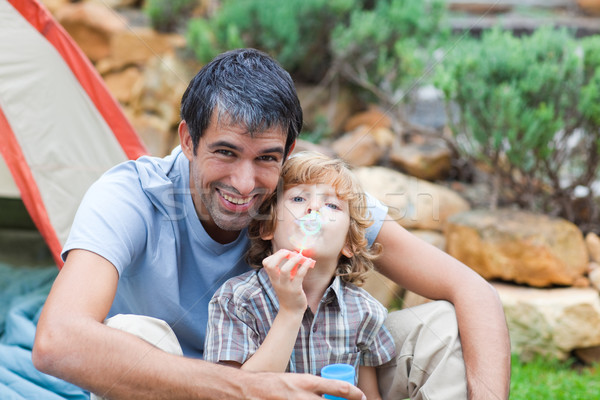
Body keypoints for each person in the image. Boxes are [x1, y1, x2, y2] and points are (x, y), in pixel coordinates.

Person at [32, 48, 510, 400]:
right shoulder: (130, 196)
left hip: (308, 380)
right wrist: (242, 388)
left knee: (444, 327)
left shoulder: (307, 195)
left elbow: (473, 291)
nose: (244, 184)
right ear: (187, 139)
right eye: (225, 152)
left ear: (289, 152)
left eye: (266, 158)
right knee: (134, 333)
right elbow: (58, 341)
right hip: (182, 388)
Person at [205, 152, 396, 400]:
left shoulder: (365, 312)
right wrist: (290, 311)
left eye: (332, 205)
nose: (314, 208)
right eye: (297, 198)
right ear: (267, 226)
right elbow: (232, 393)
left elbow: (368, 395)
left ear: (348, 243)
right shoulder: (236, 301)